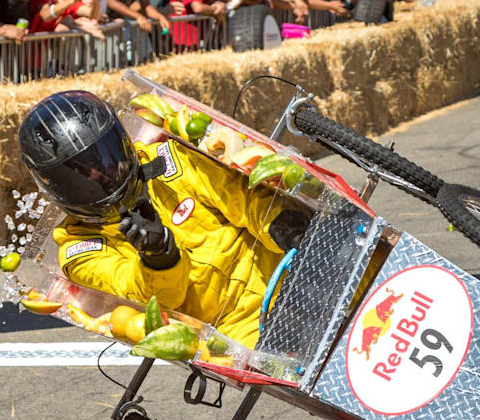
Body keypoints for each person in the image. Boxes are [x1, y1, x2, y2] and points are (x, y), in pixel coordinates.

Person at [18, 90, 308, 348]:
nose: (99, 174)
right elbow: (151, 299)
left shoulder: (171, 159)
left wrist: (284, 228)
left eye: (100, 158)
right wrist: (159, 255)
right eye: (78, 172)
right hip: (240, 327)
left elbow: (245, 200)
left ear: (121, 143)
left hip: (290, 268)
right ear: (52, 186)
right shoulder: (79, 249)